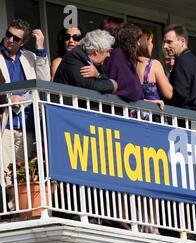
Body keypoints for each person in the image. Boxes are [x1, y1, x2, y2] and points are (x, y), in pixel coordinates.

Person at [0, 19, 50, 181]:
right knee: (6, 175)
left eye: (16, 38)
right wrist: (8, 96)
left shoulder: (29, 56)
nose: (10, 40)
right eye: (9, 35)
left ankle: (16, 205)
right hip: (5, 123)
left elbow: (44, 81)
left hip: (26, 124)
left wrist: (40, 48)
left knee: (21, 177)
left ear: (23, 42)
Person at [163, 24, 196, 113]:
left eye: (169, 42)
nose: (165, 46)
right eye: (164, 42)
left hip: (185, 119)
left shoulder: (182, 61)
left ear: (182, 41)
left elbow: (179, 94)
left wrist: (162, 101)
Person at [54, 29, 117, 94]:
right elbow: (88, 86)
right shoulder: (74, 58)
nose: (108, 55)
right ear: (96, 51)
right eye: (108, 51)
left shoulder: (96, 64)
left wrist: (98, 75)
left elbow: (102, 81)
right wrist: (113, 85)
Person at [105, 23, 144, 102]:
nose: (139, 44)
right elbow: (130, 89)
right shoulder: (118, 54)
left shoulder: (125, 56)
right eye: (137, 40)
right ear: (129, 39)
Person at [136, 30, 172, 109]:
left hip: (134, 114)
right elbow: (168, 94)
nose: (152, 45)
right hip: (152, 114)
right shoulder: (154, 64)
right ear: (145, 44)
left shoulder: (131, 65)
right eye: (151, 42)